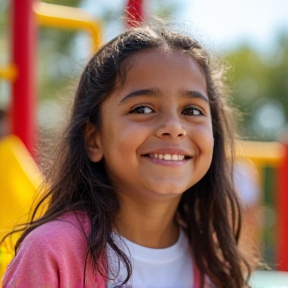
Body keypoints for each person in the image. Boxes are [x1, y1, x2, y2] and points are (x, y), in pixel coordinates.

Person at [2, 24, 253, 288]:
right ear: (93, 139)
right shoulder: (53, 251)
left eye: (191, 111)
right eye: (143, 109)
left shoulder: (214, 265)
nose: (174, 128)